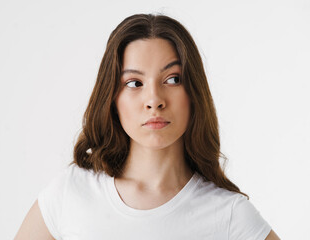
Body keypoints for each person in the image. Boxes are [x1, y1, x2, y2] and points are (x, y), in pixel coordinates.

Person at [15, 13, 280, 240]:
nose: (154, 100)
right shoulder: (70, 193)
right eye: (134, 83)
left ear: (194, 93)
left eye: (173, 79)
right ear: (112, 98)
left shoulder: (229, 214)